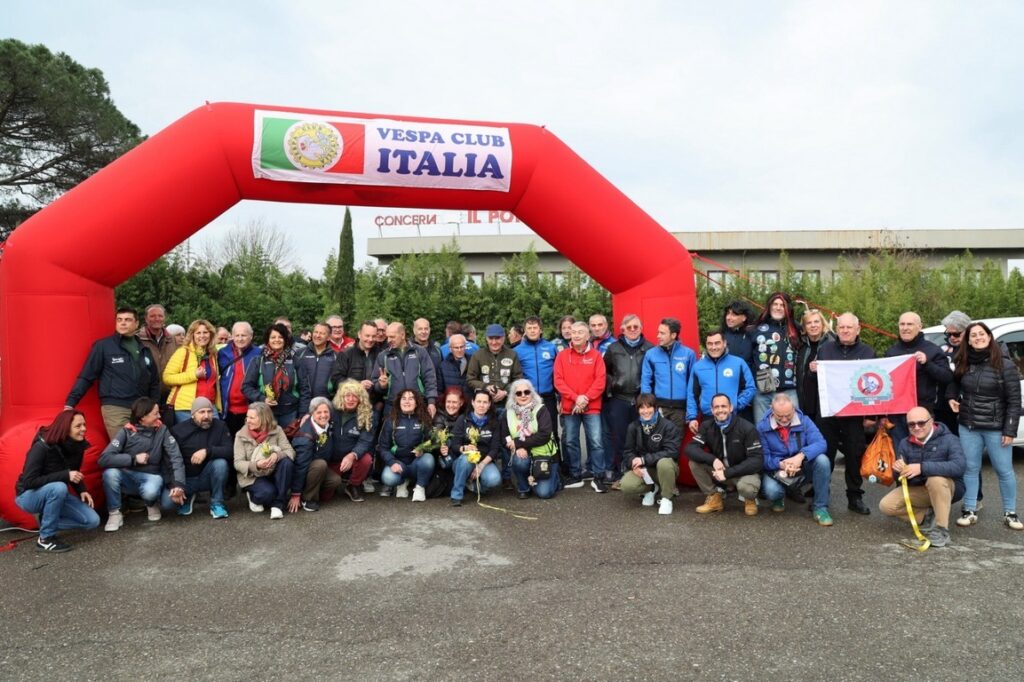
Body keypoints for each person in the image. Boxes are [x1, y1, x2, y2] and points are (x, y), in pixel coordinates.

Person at [947, 321, 1022, 530]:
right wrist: (951, 397)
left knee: (1004, 470)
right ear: (968, 341)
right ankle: (969, 510)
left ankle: (1010, 513)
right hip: (968, 426)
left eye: (981, 334)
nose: (978, 338)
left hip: (996, 428)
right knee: (970, 468)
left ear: (989, 337)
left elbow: (1015, 401)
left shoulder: (1005, 364)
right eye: (973, 335)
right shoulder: (964, 361)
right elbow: (954, 383)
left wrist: (1009, 430)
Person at [64, 307, 160, 439]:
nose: (123, 323)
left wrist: (154, 405)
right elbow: (87, 376)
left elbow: (154, 381)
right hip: (116, 407)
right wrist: (70, 402)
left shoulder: (144, 349)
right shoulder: (103, 346)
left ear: (136, 323)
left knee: (145, 445)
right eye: (119, 320)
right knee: (125, 445)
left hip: (141, 408)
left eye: (127, 320)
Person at [878, 406, 965, 548]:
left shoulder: (950, 439)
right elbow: (899, 479)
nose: (916, 427)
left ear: (931, 421)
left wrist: (921, 468)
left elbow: (959, 466)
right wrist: (898, 470)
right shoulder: (904, 443)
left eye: (921, 423)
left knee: (935, 480)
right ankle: (926, 516)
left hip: (948, 488)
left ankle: (941, 529)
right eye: (911, 424)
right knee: (886, 505)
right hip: (920, 488)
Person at [15, 410, 100, 552]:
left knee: (93, 521)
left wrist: (82, 490)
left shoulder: (77, 445)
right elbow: (29, 482)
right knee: (59, 487)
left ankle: (46, 521)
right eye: (78, 426)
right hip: (28, 495)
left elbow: (73, 471)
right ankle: (45, 539)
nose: (84, 429)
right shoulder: (41, 447)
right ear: (65, 428)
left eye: (84, 424)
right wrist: (65, 475)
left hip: (56, 492)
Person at [816, 312, 876, 515]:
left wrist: (871, 416)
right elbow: (816, 380)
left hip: (854, 415)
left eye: (849, 327)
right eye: (841, 327)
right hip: (828, 413)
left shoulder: (868, 352)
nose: (845, 330)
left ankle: (855, 496)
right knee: (825, 455)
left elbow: (873, 385)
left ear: (858, 329)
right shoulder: (825, 349)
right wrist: (813, 370)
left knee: (854, 455)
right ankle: (821, 496)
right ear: (836, 329)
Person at [99, 397, 187, 532]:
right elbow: (104, 459)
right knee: (110, 474)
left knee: (156, 494)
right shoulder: (126, 431)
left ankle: (150, 503)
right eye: (155, 413)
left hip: (152, 476)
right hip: (128, 476)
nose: (159, 416)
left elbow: (176, 457)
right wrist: (133, 459)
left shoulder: (162, 429)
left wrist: (179, 484)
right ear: (142, 417)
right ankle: (114, 513)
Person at [757, 393, 833, 526]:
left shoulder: (805, 421)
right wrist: (782, 464)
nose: (784, 419)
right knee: (772, 492)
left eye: (788, 415)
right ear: (772, 410)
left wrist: (800, 456)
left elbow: (821, 443)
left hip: (802, 465)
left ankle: (820, 508)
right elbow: (763, 458)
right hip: (777, 469)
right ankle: (779, 497)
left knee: (823, 461)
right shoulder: (761, 427)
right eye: (779, 416)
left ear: (794, 408)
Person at [685, 393, 763, 516]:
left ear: (731, 408)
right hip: (721, 470)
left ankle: (750, 499)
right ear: (712, 410)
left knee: (747, 489)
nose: (720, 410)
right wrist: (713, 460)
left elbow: (757, 460)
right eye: (716, 407)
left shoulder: (747, 427)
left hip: (743, 472)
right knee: (694, 463)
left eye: (723, 406)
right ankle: (714, 498)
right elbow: (690, 448)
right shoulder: (707, 426)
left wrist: (727, 473)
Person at [554, 321, 608, 490]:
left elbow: (600, 381)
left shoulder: (596, 356)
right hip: (570, 406)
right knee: (571, 441)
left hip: (592, 406)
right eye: (573, 332)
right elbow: (558, 381)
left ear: (587, 335)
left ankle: (598, 476)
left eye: (580, 332)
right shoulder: (562, 356)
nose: (576, 335)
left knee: (596, 441)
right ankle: (575, 475)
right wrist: (576, 398)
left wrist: (585, 398)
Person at [884, 312, 953, 443]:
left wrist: (927, 364)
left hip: (922, 412)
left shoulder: (933, 350)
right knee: (900, 452)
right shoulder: (891, 352)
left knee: (924, 450)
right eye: (902, 324)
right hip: (897, 413)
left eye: (910, 324)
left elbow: (947, 377)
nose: (905, 328)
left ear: (920, 326)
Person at [602, 314, 653, 483]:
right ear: (622, 329)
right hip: (619, 399)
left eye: (635, 327)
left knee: (642, 436)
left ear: (641, 328)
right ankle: (621, 470)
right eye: (628, 327)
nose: (632, 330)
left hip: (640, 400)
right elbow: (605, 371)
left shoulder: (650, 348)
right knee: (620, 437)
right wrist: (612, 385)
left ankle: (643, 472)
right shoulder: (613, 348)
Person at [618, 393, 682, 515]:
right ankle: (652, 488)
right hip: (646, 470)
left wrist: (643, 460)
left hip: (665, 469)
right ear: (637, 410)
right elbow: (628, 451)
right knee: (626, 485)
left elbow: (672, 452)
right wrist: (633, 465)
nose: (645, 411)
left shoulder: (668, 426)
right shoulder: (633, 426)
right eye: (642, 408)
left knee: (664, 463)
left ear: (655, 408)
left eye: (649, 407)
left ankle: (666, 498)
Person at [169, 396, 232, 519]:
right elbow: (170, 460)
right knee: (167, 502)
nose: (206, 416)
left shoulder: (220, 426)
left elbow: (230, 451)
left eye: (209, 411)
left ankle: (217, 503)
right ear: (193, 414)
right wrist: (176, 485)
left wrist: (207, 451)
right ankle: (187, 497)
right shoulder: (178, 430)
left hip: (207, 477)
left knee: (221, 463)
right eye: (202, 412)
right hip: (186, 480)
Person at [233, 401, 296, 520]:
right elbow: (237, 463)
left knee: (287, 462)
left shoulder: (277, 430)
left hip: (272, 471)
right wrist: (256, 465)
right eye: (247, 417)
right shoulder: (240, 435)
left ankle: (277, 505)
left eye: (252, 418)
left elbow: (290, 451)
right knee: (268, 493)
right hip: (252, 477)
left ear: (264, 418)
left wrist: (277, 455)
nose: (248, 421)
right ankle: (253, 497)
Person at [686, 328, 755, 434]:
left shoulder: (738, 363)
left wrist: (736, 404)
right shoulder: (698, 367)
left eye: (717, 343)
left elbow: (750, 388)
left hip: (733, 417)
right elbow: (692, 394)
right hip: (708, 418)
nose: (713, 347)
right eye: (710, 344)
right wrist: (692, 417)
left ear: (724, 343)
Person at [749, 292, 802, 422]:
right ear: (769, 306)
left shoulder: (796, 328)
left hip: (789, 390)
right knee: (762, 429)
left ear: (787, 308)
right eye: (775, 304)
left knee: (794, 428)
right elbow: (748, 359)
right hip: (763, 390)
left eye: (782, 305)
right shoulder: (755, 329)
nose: (778, 308)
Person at [504, 379, 560, 500]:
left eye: (527, 392)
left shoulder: (541, 409)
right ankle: (524, 488)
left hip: (544, 455)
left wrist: (518, 443)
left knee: (544, 493)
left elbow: (544, 435)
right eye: (518, 393)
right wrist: (516, 447)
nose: (523, 395)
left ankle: (555, 478)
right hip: (524, 453)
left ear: (532, 393)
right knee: (519, 461)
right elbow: (505, 435)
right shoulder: (508, 412)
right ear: (514, 396)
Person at [640, 317, 696, 435]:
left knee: (675, 442)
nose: (658, 336)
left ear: (673, 335)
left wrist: (692, 414)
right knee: (656, 441)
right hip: (659, 408)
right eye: (658, 332)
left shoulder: (688, 354)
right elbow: (646, 382)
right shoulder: (651, 354)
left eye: (662, 333)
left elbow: (693, 386)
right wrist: (647, 406)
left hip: (680, 410)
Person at [378, 389, 435, 502]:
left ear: (416, 402)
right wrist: (392, 462)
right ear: (399, 402)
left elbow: (432, 442)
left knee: (428, 459)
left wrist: (423, 450)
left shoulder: (423, 419)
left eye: (411, 399)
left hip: (416, 463)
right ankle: (402, 482)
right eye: (403, 399)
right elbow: (383, 447)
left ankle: (420, 487)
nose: (407, 401)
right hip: (399, 464)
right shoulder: (391, 421)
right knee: (388, 478)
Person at [448, 390, 503, 506]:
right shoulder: (463, 419)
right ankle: (456, 495)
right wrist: (465, 448)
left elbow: (494, 449)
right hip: (464, 461)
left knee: (494, 479)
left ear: (489, 404)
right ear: (473, 402)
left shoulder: (494, 422)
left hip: (484, 460)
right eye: (479, 401)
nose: (481, 405)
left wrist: (481, 466)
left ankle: (474, 486)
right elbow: (454, 445)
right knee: (465, 460)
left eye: (485, 402)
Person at [375, 322, 439, 419]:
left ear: (402, 335)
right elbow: (375, 382)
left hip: (418, 404)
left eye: (392, 337)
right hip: (392, 405)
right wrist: (381, 386)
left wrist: (431, 402)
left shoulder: (419, 352)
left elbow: (430, 377)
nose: (388, 340)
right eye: (388, 337)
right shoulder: (383, 355)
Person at [163, 319, 222, 424]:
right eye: (198, 333)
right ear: (192, 335)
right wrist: (194, 375)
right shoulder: (183, 352)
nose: (202, 336)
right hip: (186, 408)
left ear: (211, 334)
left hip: (209, 406)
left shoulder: (212, 354)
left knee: (216, 433)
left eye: (205, 332)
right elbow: (167, 378)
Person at [243, 323, 300, 427]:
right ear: (267, 340)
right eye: (273, 337)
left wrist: (303, 413)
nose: (277, 340)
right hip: (264, 412)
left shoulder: (295, 360)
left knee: (287, 438)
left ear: (285, 339)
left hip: (290, 412)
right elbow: (246, 387)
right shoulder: (258, 360)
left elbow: (304, 388)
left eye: (280, 337)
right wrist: (262, 398)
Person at [515, 317, 559, 447]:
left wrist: (561, 398)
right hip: (528, 398)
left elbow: (559, 374)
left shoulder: (551, 347)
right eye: (529, 328)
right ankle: (533, 459)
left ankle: (556, 459)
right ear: (525, 331)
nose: (532, 331)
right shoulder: (517, 350)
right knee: (529, 432)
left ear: (541, 330)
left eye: (535, 328)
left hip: (548, 397)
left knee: (552, 431)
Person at [330, 380, 376, 502]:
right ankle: (334, 481)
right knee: (325, 496)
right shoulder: (330, 411)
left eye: (355, 396)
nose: (351, 399)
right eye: (347, 396)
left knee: (366, 459)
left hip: (352, 459)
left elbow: (365, 441)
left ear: (360, 398)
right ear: (342, 397)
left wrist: (352, 455)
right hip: (331, 460)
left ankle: (353, 485)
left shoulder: (366, 414)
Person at [289, 396, 338, 512]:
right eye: (319, 412)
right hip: (305, 470)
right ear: (312, 414)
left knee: (335, 480)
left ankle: (312, 490)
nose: (323, 415)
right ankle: (307, 499)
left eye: (326, 411)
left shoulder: (328, 426)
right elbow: (300, 466)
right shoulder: (305, 436)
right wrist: (295, 493)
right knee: (320, 464)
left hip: (315, 469)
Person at [217, 321, 261, 435]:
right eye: (237, 335)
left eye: (243, 335)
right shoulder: (222, 353)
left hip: (250, 409)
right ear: (232, 336)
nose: (240, 339)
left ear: (251, 336)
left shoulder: (259, 353)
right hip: (227, 409)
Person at [466, 324, 524, 410]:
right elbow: (470, 379)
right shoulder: (477, 355)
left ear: (503, 338)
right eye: (491, 338)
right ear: (486, 338)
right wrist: (485, 387)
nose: (494, 342)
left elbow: (518, 379)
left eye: (497, 338)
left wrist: (505, 392)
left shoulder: (512, 354)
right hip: (484, 404)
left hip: (507, 403)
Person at [795, 309, 835, 424]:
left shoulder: (833, 343)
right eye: (809, 323)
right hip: (805, 400)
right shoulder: (799, 344)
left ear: (823, 324)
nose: (813, 325)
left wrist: (822, 369)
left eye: (816, 322)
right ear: (804, 327)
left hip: (826, 403)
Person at [935, 310, 971, 433]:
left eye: (956, 334)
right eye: (948, 334)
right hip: (941, 404)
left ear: (967, 331)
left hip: (965, 405)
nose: (952, 338)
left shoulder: (975, 349)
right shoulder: (942, 349)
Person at [428, 386, 467, 498]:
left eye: (454, 402)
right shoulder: (439, 417)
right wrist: (441, 446)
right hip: (444, 458)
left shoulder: (466, 416)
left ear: (461, 403)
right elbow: (435, 439)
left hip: (461, 452)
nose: (451, 405)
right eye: (448, 402)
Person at [296, 321, 336, 415]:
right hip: (302, 404)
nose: (317, 335)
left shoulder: (335, 356)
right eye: (316, 332)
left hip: (325, 406)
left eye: (322, 333)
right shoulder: (300, 353)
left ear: (329, 337)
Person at [137, 304, 178, 390]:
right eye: (152, 316)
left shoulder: (172, 340)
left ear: (164, 318)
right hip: (146, 392)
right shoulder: (137, 340)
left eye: (160, 316)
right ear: (146, 319)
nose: (157, 319)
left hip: (169, 391)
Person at [720, 300, 756, 375]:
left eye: (733, 315)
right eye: (728, 314)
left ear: (744, 317)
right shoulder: (720, 335)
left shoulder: (753, 335)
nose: (728, 317)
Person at [438, 333, 472, 401]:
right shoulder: (443, 366)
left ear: (465, 347)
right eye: (456, 347)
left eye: (461, 347)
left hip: (470, 404)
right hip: (452, 404)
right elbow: (439, 390)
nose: (459, 350)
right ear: (450, 349)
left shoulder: (473, 362)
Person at [411, 317, 443, 387]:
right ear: (414, 330)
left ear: (429, 330)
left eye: (426, 329)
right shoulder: (408, 349)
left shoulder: (437, 349)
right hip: (414, 392)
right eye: (420, 329)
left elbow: (440, 374)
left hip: (434, 390)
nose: (423, 332)